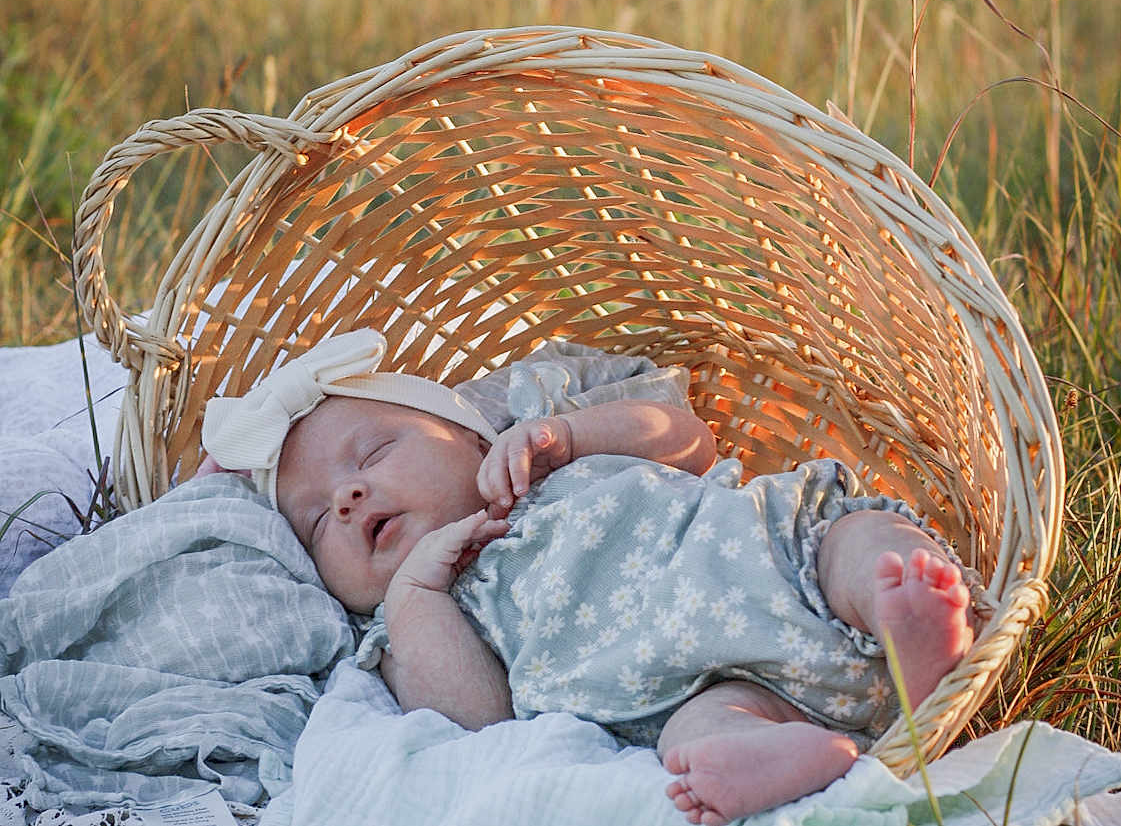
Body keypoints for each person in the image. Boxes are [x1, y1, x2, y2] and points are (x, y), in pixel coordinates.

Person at [200, 328, 977, 826]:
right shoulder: (418, 614)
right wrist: (416, 595)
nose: (346, 497)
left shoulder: (539, 447)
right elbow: (480, 718)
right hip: (690, 690)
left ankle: (897, 599)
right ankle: (787, 753)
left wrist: (564, 434)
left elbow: (689, 440)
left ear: (470, 435)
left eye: (371, 454)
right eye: (314, 522)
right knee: (696, 738)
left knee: (847, 535)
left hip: (771, 559)